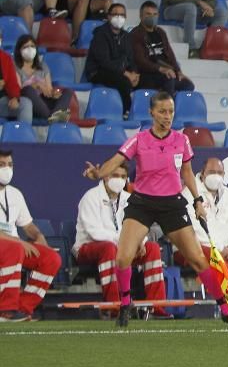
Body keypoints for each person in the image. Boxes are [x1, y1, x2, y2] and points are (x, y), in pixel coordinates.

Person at [82, 92, 228, 328]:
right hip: (142, 203)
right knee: (122, 258)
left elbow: (187, 173)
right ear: (151, 112)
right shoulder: (139, 139)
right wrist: (99, 174)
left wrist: (198, 201)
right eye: (162, 111)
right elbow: (117, 159)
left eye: (170, 111)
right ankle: (126, 304)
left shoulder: (181, 141)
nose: (167, 116)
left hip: (172, 204)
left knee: (199, 261)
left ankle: (225, 309)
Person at [73, 163, 170, 317]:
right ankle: (114, 308)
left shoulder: (129, 199)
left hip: (121, 248)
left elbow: (139, 225)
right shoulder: (90, 197)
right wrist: (127, 241)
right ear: (105, 177)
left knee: (152, 248)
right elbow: (95, 233)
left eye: (123, 177)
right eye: (115, 176)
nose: (119, 180)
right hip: (88, 248)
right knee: (109, 248)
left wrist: (140, 241)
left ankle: (156, 307)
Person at [178, 157, 228, 304]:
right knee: (215, 256)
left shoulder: (226, 193)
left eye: (219, 172)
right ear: (202, 174)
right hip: (194, 249)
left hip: (222, 249)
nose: (216, 176)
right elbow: (194, 230)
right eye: (212, 172)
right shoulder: (190, 193)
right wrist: (220, 249)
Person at [0, 150, 61, 321]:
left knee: (51, 258)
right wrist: (19, 242)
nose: (7, 169)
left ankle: (23, 308)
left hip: (13, 247)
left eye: (10, 165)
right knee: (14, 249)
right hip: (10, 247)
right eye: (2, 165)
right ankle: (5, 309)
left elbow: (27, 225)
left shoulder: (15, 193)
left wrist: (38, 236)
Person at [84, 3, 140, 117]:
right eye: (115, 14)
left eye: (122, 15)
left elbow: (130, 58)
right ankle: (126, 112)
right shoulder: (100, 34)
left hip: (119, 70)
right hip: (98, 71)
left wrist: (134, 73)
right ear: (109, 16)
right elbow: (104, 62)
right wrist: (126, 74)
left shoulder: (126, 36)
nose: (119, 17)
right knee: (123, 81)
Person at [130, 1, 195, 95]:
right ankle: (166, 107)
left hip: (165, 72)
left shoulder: (161, 32)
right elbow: (140, 61)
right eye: (148, 14)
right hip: (146, 74)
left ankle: (171, 103)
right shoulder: (135, 34)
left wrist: (179, 71)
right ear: (141, 16)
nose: (152, 17)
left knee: (188, 85)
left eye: (155, 14)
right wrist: (161, 69)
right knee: (169, 79)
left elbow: (170, 54)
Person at [13, 34, 71, 123]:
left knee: (68, 91)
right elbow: (19, 90)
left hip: (44, 101)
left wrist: (54, 93)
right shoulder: (15, 67)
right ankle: (53, 117)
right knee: (27, 89)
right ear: (19, 50)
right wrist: (37, 85)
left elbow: (49, 89)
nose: (29, 49)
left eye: (32, 46)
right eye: (25, 47)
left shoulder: (43, 66)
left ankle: (53, 116)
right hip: (30, 104)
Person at [0, 30, 31, 123]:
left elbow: (12, 82)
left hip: (2, 101)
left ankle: (24, 136)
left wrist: (14, 97)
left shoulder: (5, 58)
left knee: (25, 104)